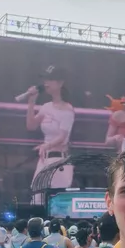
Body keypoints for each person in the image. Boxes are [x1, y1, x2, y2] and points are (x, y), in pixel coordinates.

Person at [24, 68, 75, 198]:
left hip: (59, 159)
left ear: (60, 83)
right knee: (37, 197)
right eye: (45, 80)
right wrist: (31, 102)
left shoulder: (67, 110)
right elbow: (31, 125)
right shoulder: (46, 107)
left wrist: (47, 145)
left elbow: (62, 137)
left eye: (50, 80)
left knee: (56, 200)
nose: (46, 83)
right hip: (44, 159)